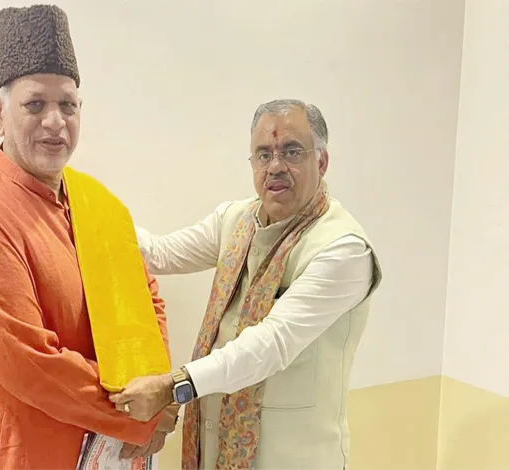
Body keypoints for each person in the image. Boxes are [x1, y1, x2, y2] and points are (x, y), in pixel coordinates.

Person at [0, 5, 175, 469]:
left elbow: (147, 301)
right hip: (24, 451)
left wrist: (158, 389)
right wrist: (140, 414)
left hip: (110, 448)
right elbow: (31, 366)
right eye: (35, 104)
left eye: (67, 104)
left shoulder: (98, 202)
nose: (54, 121)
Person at [109, 99, 383, 469]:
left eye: (291, 152)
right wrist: (86, 212)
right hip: (214, 453)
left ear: (321, 161)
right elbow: (158, 253)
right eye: (264, 154)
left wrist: (173, 387)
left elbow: (269, 345)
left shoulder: (343, 249)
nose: (276, 166)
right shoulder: (236, 220)